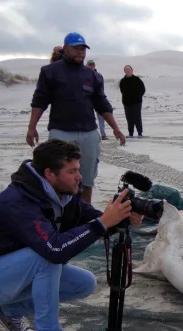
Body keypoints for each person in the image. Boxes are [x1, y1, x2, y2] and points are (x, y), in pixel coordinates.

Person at [0, 140, 142, 331]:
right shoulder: (18, 202)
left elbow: (95, 220)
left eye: (78, 169)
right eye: (72, 171)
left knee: (84, 283)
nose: (80, 176)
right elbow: (55, 250)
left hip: (1, 274)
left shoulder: (60, 195)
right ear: (49, 174)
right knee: (44, 257)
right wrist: (102, 223)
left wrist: (121, 217)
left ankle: (10, 311)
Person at [27, 32, 126, 204]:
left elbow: (102, 104)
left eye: (83, 48)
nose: (80, 52)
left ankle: (84, 215)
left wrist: (116, 128)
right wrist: (31, 127)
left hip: (89, 134)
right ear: (65, 49)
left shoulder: (93, 76)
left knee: (86, 180)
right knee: (59, 180)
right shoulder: (50, 72)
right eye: (76, 48)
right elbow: (40, 100)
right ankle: (60, 217)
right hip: (61, 133)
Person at [119, 65, 146, 138]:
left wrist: (138, 97)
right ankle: (131, 133)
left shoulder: (137, 79)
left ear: (132, 70)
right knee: (129, 118)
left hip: (137, 102)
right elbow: (122, 91)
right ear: (124, 71)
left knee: (137, 117)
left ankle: (140, 133)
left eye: (129, 69)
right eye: (126, 69)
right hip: (127, 103)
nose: (128, 70)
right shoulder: (122, 81)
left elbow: (143, 89)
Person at [86, 59, 108, 140]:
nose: (91, 66)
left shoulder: (99, 75)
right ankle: (90, 134)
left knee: (101, 117)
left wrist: (102, 98)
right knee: (89, 117)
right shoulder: (83, 74)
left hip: (98, 98)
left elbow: (101, 87)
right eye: (89, 65)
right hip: (87, 99)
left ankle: (103, 134)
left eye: (92, 65)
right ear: (86, 65)